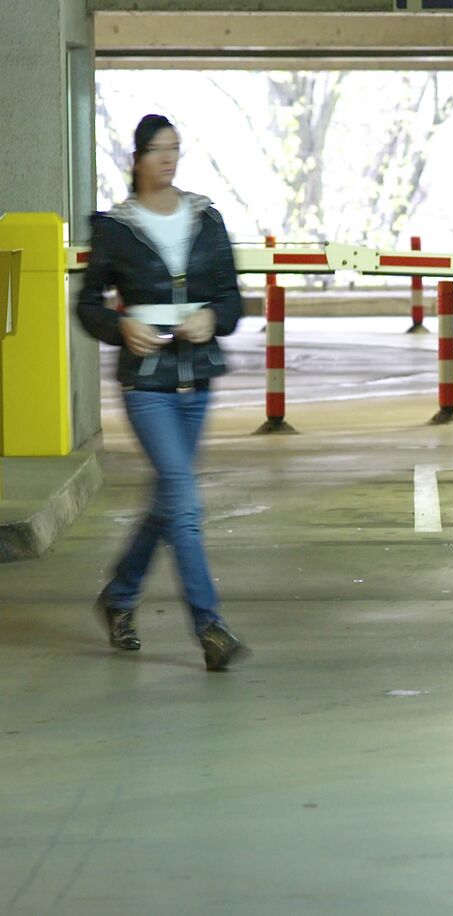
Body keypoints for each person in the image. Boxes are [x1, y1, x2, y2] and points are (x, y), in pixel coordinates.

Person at [77, 113, 248, 671]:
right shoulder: (115, 227)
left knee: (168, 501)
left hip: (194, 378)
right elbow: (88, 305)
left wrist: (213, 318)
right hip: (146, 383)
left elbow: (231, 300)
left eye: (175, 149)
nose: (169, 159)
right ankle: (211, 627)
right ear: (138, 159)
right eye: (158, 151)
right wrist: (119, 326)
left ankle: (121, 596)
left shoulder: (206, 219)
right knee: (184, 500)